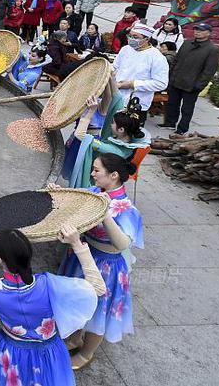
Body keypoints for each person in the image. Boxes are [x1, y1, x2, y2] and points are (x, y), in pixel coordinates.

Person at [0, 224, 104, 386]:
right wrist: (77, 244)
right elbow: (98, 288)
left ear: (0, 259)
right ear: (29, 255)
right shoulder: (48, 285)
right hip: (48, 353)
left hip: (9, 351)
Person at [56, 153, 144, 369]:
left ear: (113, 175)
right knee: (78, 302)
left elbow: (122, 244)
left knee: (98, 312)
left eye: (96, 170)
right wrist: (60, 194)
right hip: (83, 256)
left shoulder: (126, 209)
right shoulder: (97, 192)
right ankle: (75, 337)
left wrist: (105, 213)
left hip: (107, 266)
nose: (92, 174)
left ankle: (87, 353)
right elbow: (77, 198)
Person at [63, 94, 150, 189]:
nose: (110, 124)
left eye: (113, 123)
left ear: (121, 129)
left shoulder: (114, 150)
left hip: (96, 184)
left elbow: (79, 135)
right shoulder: (125, 139)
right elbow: (116, 95)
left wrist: (90, 111)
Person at [162, 23, 219, 136]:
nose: (197, 32)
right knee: (172, 103)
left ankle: (182, 128)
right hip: (176, 79)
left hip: (192, 84)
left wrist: (199, 85)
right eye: (196, 30)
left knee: (187, 108)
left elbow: (209, 70)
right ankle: (170, 122)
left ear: (208, 33)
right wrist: (171, 76)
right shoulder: (187, 42)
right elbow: (176, 60)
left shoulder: (212, 49)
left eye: (201, 30)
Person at [113, 23, 169, 114]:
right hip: (116, 97)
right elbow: (115, 67)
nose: (131, 39)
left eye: (135, 37)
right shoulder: (126, 49)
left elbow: (161, 83)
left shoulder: (156, 57)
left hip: (136, 103)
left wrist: (133, 84)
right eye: (130, 36)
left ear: (146, 39)